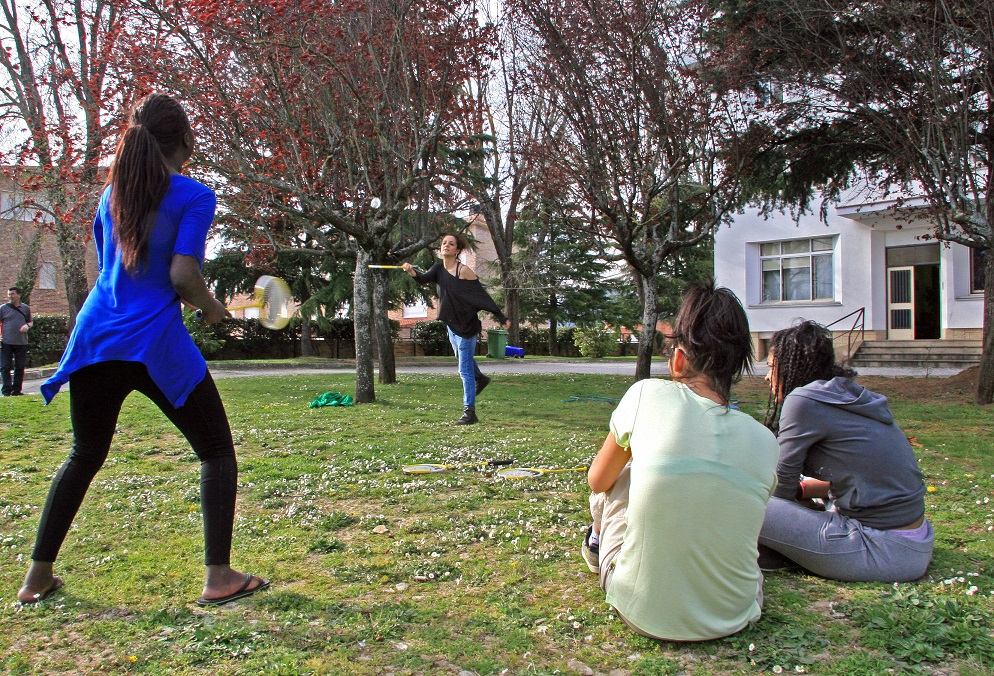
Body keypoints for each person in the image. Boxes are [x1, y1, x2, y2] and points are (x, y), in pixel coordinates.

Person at [17, 93, 268, 606]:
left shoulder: (110, 197)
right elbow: (181, 275)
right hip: (154, 341)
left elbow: (115, 270)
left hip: (96, 336)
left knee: (84, 453)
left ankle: (36, 578)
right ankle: (219, 577)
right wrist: (212, 308)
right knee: (216, 451)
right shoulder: (194, 195)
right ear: (187, 142)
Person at [582, 281, 779, 641]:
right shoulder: (766, 441)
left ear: (678, 358)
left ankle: (596, 544)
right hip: (736, 614)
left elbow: (598, 481)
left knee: (622, 475)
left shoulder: (645, 395)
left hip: (642, 610)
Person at [758, 320, 933, 582]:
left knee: (742, 500)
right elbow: (858, 477)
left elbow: (779, 488)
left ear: (790, 367)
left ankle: (775, 555)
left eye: (771, 367)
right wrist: (802, 492)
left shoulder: (803, 400)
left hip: (882, 548)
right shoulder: (846, 395)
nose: (767, 377)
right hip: (915, 540)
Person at [402, 233, 510, 425]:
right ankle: (482, 379)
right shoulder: (437, 269)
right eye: (444, 243)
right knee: (463, 360)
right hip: (451, 325)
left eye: (451, 244)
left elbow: (481, 296)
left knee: (464, 370)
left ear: (457, 250)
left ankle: (470, 412)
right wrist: (410, 271)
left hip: (467, 328)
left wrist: (501, 317)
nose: (446, 246)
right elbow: (422, 279)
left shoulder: (464, 271)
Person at [1, 286, 33, 396]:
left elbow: (30, 322)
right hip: (6, 342)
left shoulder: (25, 308)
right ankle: (6, 391)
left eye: (12, 294)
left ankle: (16, 391)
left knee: (19, 367)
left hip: (21, 342)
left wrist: (27, 326)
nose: (10, 296)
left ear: (18, 295)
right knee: (5, 367)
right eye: (9, 294)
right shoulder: (3, 308)